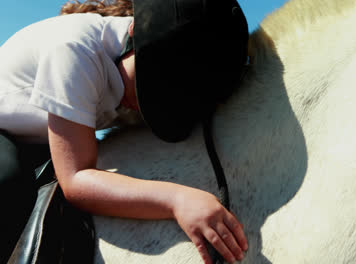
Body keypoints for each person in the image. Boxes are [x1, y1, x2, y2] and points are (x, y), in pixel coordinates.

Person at [0, 0, 250, 263]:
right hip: (5, 130)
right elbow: (76, 181)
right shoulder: (74, 51)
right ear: (133, 33)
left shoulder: (140, 60)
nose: (144, 104)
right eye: (144, 80)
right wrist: (177, 199)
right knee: (8, 178)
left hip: (43, 130)